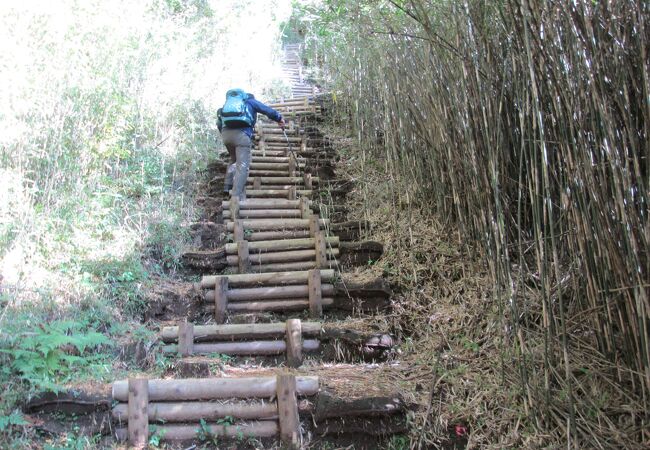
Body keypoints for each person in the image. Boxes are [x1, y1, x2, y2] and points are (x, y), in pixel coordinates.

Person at [217, 90, 285, 199]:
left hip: (226, 135)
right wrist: (279, 118)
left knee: (233, 159)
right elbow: (266, 110)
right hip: (241, 135)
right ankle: (236, 196)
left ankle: (227, 186)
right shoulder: (251, 102)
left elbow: (219, 122)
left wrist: (225, 134)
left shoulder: (229, 105)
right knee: (242, 166)